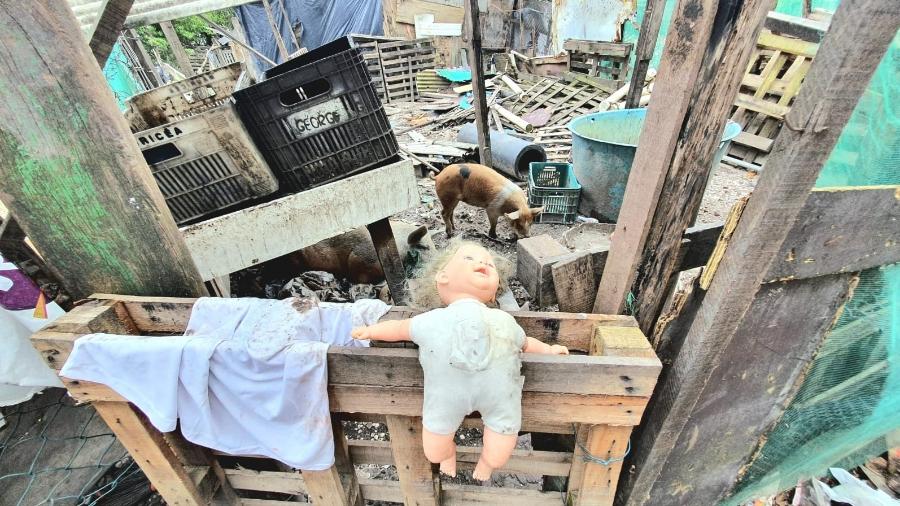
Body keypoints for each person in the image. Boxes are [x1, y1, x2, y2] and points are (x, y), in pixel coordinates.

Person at [351, 239, 567, 479]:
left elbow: (526, 343)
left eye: (489, 263)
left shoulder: (504, 321)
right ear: (442, 277)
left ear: (495, 289)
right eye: (469, 258)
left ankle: (486, 464)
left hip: (499, 399)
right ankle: (447, 456)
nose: (483, 262)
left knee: (499, 454)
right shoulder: (432, 320)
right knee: (434, 450)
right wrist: (371, 331)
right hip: (448, 399)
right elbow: (400, 328)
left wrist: (548, 350)